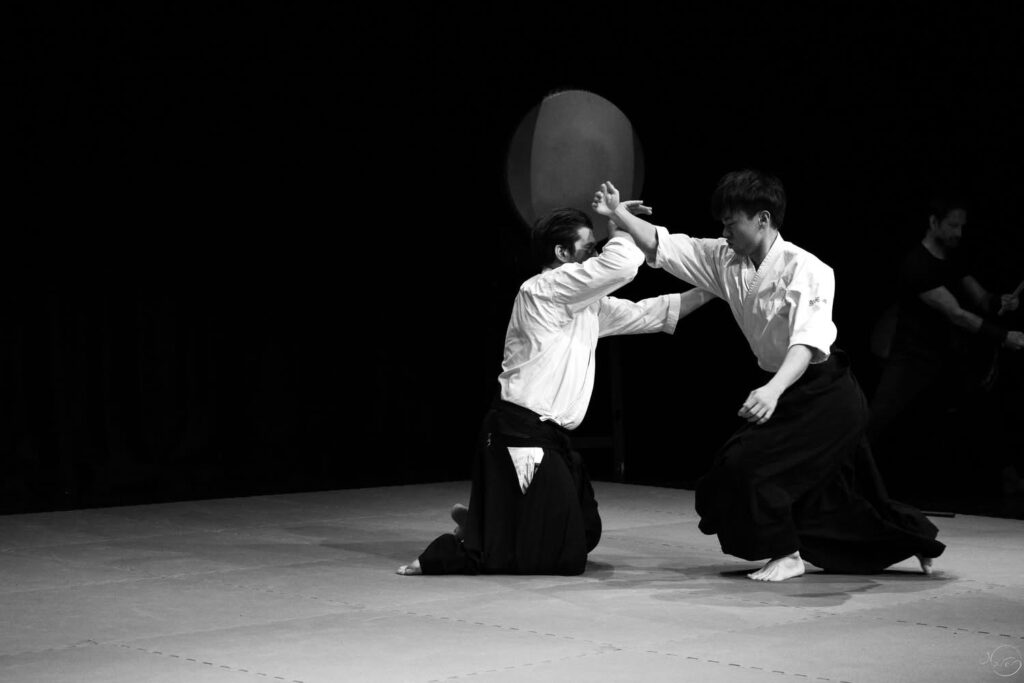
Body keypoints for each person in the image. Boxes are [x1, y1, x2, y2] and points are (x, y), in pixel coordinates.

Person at [594, 171, 946, 581]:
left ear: (762, 219)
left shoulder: (808, 268)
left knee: (750, 468)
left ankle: (787, 553)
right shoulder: (724, 260)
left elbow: (807, 342)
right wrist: (618, 213)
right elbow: (663, 243)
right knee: (839, 498)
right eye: (722, 223)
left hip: (825, 394)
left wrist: (773, 390)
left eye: (732, 222)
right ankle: (917, 541)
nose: (723, 231)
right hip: (785, 388)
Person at [397, 206, 714, 576]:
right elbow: (622, 266)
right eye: (588, 247)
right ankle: (459, 549)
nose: (595, 254)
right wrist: (622, 226)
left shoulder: (584, 304)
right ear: (562, 253)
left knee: (586, 532)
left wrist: (713, 287)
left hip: (550, 438)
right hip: (519, 435)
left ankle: (495, 524)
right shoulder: (543, 290)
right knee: (565, 557)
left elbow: (654, 313)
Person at [867, 197, 1022, 497]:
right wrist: (1004, 336)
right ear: (934, 222)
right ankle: (850, 489)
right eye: (953, 225)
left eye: (962, 226)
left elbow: (980, 299)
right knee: (877, 422)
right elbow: (956, 314)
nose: (958, 233)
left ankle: (985, 490)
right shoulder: (916, 264)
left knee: (958, 423)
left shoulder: (953, 258)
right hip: (911, 358)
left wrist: (1000, 301)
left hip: (946, 358)